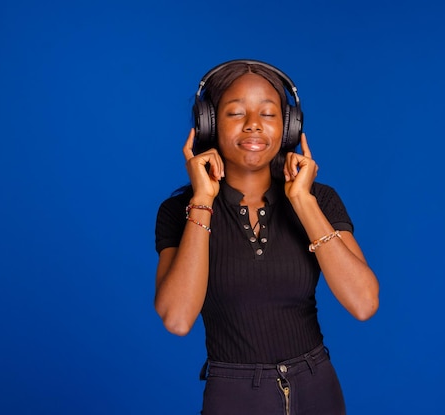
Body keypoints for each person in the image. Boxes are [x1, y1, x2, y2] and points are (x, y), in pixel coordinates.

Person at [154, 59, 379, 415]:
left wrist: (303, 202)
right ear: (208, 124)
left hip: (318, 388)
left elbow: (364, 304)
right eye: (235, 113)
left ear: (289, 126)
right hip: (234, 395)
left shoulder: (321, 200)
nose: (254, 125)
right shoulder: (179, 211)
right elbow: (178, 319)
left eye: (269, 114)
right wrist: (202, 202)